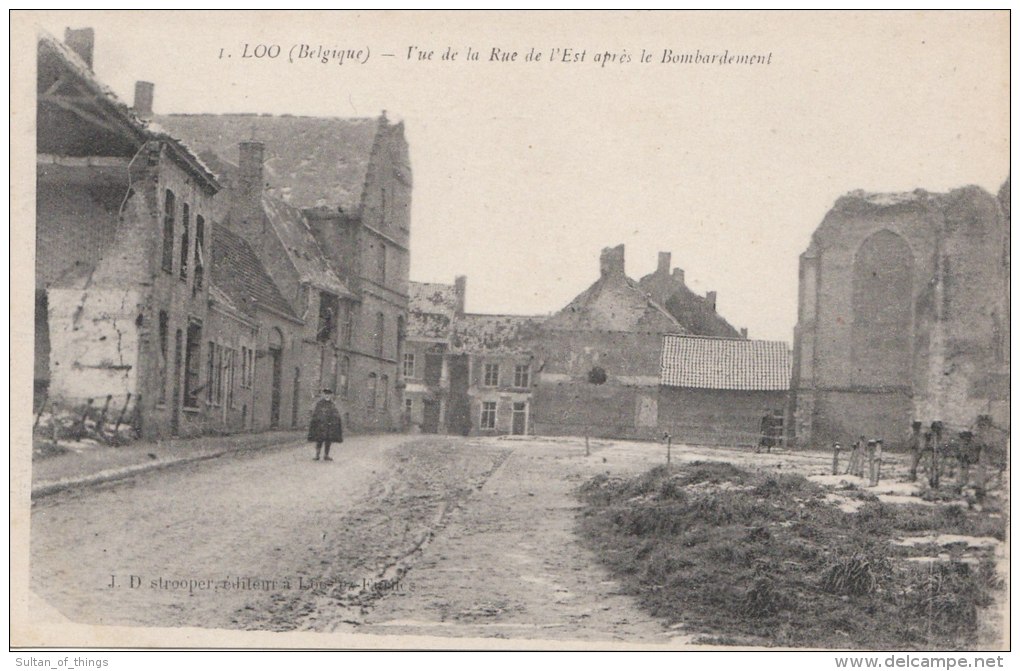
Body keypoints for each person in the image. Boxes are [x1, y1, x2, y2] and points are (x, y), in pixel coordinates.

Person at [308, 388, 343, 462]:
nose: (327, 396)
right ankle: (317, 455)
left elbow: (335, 414)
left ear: (331, 396)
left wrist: (333, 421)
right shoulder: (319, 404)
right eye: (326, 394)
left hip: (329, 426)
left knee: (328, 440)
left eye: (329, 394)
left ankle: (326, 455)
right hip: (321, 425)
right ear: (323, 395)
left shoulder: (332, 404)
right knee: (319, 440)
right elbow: (316, 414)